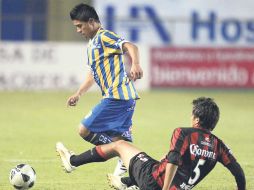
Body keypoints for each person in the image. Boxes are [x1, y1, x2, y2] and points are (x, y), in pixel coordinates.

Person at [56, 97, 246, 190]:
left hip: (155, 182)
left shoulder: (184, 133)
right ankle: (127, 182)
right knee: (159, 160)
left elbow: (172, 161)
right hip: (173, 185)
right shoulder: (218, 145)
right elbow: (238, 171)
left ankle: (73, 162)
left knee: (120, 145)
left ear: (196, 119)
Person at [66, 3, 143, 176]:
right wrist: (79, 93)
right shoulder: (92, 44)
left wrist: (136, 64)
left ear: (92, 21)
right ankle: (131, 172)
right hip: (122, 98)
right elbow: (93, 74)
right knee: (120, 142)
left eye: (80, 26)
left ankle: (120, 154)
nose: (78, 30)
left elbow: (131, 46)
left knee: (84, 129)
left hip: (117, 96)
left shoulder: (103, 36)